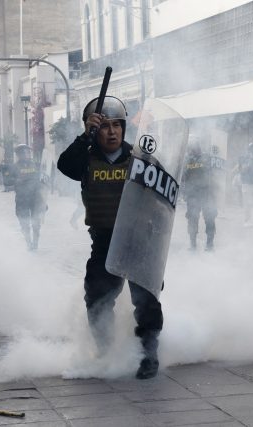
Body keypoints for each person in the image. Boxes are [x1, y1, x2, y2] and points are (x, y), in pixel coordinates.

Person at [57, 96, 163, 379]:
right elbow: (64, 166)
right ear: (94, 130)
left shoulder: (140, 159)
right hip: (104, 243)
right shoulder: (86, 159)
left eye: (117, 125)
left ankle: (148, 355)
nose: (113, 131)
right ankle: (106, 352)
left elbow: (162, 200)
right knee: (97, 299)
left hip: (139, 241)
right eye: (105, 126)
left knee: (147, 301)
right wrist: (84, 137)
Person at [9, 144, 47, 250]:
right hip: (22, 199)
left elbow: (41, 182)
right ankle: (28, 243)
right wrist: (16, 181)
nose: (27, 154)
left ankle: (35, 243)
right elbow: (7, 181)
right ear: (19, 154)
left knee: (36, 223)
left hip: (36, 198)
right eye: (24, 152)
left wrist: (43, 200)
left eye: (28, 152)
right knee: (24, 223)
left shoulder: (35, 164)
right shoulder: (14, 167)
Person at [184, 141, 217, 251]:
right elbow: (183, 176)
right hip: (192, 194)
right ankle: (193, 244)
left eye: (194, 147)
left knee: (209, 218)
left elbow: (205, 169)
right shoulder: (187, 159)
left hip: (206, 193)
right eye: (190, 147)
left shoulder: (206, 157)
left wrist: (191, 164)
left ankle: (210, 244)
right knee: (192, 219)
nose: (192, 149)